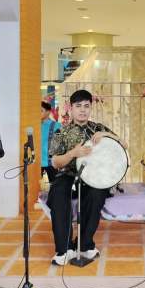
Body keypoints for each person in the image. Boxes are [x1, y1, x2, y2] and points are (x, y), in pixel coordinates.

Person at [47, 89, 124, 265]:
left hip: (95, 176)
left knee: (97, 194)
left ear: (91, 108)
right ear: (71, 108)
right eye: (78, 106)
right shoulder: (61, 132)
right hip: (69, 175)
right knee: (58, 193)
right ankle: (64, 249)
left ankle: (84, 244)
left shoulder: (98, 128)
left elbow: (123, 145)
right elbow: (55, 162)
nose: (83, 110)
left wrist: (106, 134)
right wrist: (72, 154)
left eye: (86, 106)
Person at [41, 101, 61, 183]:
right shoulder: (34, 125)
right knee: (33, 186)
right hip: (36, 161)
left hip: (51, 161)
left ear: (48, 112)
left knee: (55, 185)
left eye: (41, 110)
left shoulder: (56, 125)